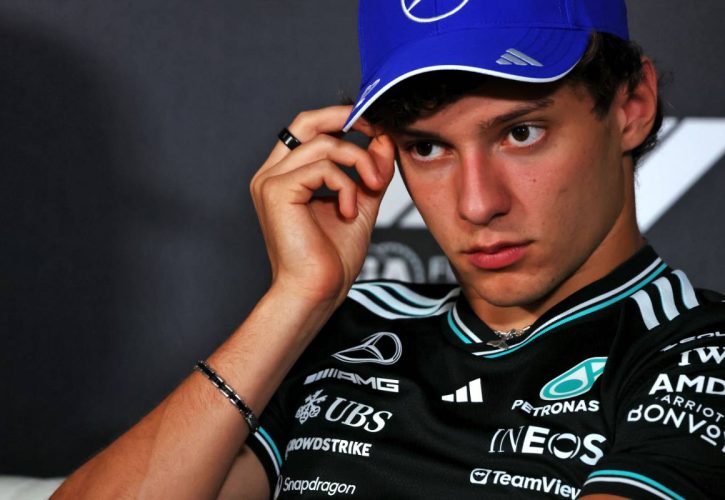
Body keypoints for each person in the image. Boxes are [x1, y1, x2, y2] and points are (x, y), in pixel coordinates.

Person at [54, 0, 725, 498]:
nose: (476, 203)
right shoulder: (349, 328)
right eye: (427, 147)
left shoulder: (698, 350)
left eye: (520, 133)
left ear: (632, 104)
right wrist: (296, 301)